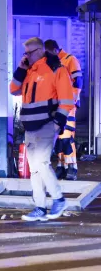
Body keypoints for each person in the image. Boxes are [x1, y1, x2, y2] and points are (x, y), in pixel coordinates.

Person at [10, 37, 75, 221]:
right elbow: (13, 89)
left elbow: (67, 100)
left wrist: (57, 123)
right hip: (30, 127)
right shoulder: (29, 71)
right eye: (25, 53)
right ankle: (40, 207)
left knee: (41, 164)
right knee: (35, 168)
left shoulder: (55, 69)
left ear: (40, 51)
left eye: (29, 53)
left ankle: (58, 199)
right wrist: (21, 69)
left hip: (46, 124)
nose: (26, 56)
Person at [44, 40, 83, 181]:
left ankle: (71, 166)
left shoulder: (69, 60)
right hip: (57, 104)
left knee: (66, 136)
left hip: (67, 104)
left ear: (55, 50)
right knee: (59, 136)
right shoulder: (52, 62)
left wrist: (72, 100)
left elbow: (78, 81)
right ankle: (62, 166)